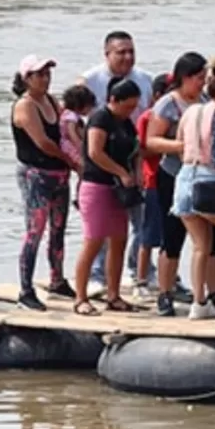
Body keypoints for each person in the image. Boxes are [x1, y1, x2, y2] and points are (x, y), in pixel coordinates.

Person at [77, 31, 156, 288]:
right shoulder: (90, 81)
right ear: (107, 53)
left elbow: (149, 120)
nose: (127, 57)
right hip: (99, 167)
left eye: (131, 51)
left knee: (139, 222)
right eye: (121, 52)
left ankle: (140, 271)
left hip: (131, 157)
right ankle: (96, 278)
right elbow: (71, 120)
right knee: (98, 231)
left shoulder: (145, 80)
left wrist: (137, 169)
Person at [11, 55, 79, 310]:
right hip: (35, 175)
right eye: (39, 74)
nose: (45, 79)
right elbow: (43, 142)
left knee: (59, 229)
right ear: (27, 78)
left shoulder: (51, 101)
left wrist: (77, 154)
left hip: (58, 174)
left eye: (47, 74)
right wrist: (71, 160)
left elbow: (64, 131)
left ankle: (57, 279)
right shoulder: (25, 106)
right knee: (35, 230)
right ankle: (25, 290)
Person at [174, 57, 215, 320]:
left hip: (184, 178)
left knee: (200, 246)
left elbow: (180, 145)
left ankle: (199, 303)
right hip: (210, 178)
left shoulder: (191, 111)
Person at [72, 77, 142, 316]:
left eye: (134, 107)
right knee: (94, 240)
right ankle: (80, 297)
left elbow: (135, 149)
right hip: (97, 185)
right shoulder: (101, 118)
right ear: (114, 100)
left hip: (119, 189)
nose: (130, 111)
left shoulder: (126, 123)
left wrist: (136, 172)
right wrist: (121, 172)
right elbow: (95, 152)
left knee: (119, 239)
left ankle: (114, 294)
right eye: (127, 106)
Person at [145, 53, 208, 316]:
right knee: (171, 238)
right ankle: (165, 292)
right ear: (185, 77)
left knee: (205, 239)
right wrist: (182, 145)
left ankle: (204, 295)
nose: (202, 83)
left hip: (201, 176)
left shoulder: (205, 102)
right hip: (172, 175)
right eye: (198, 78)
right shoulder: (167, 105)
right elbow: (151, 141)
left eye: (205, 78)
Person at [132, 73, 169, 299]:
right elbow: (142, 149)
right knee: (147, 233)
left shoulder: (175, 115)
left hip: (171, 178)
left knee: (170, 233)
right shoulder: (147, 117)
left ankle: (169, 278)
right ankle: (141, 279)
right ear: (157, 95)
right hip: (152, 178)